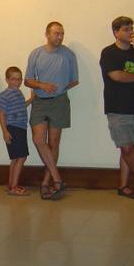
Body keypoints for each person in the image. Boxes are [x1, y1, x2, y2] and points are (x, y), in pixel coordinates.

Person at [100, 16, 134, 199]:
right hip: (117, 107)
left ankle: (122, 186)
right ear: (116, 32)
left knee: (128, 149)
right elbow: (117, 76)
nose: (131, 32)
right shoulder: (109, 52)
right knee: (127, 149)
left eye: (131, 28)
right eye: (126, 29)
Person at [24, 22, 79, 200]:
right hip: (39, 102)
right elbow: (27, 80)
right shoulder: (36, 53)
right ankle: (58, 179)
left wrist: (59, 89)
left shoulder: (69, 55)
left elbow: (74, 81)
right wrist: (42, 86)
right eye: (56, 33)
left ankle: (46, 183)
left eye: (62, 33)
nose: (60, 37)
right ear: (47, 34)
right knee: (39, 140)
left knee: (54, 143)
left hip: (59, 102)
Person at [0, 67, 33, 196]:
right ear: (7, 80)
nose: (16, 82)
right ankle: (14, 187)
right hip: (13, 128)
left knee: (15, 158)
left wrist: (32, 99)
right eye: (13, 79)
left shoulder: (18, 93)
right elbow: (1, 114)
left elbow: (22, 106)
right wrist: (5, 132)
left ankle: (11, 184)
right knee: (22, 157)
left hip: (20, 128)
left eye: (19, 79)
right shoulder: (5, 94)